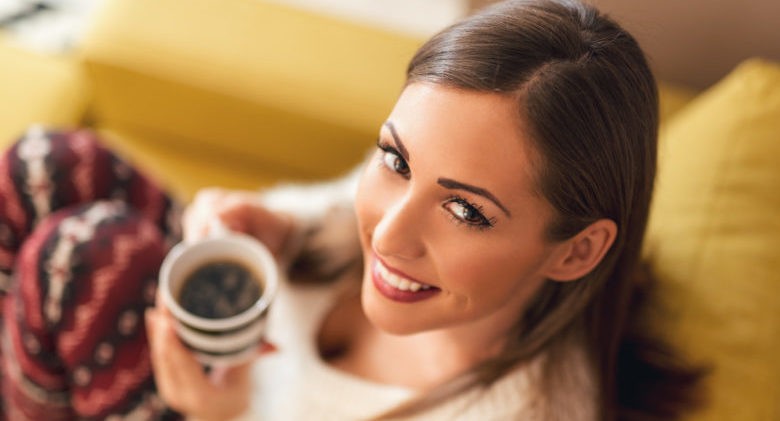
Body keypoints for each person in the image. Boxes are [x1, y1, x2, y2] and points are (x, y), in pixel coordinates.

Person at [0, 0, 705, 420]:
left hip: (211, 404)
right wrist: (270, 224)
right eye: (396, 160)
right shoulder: (407, 203)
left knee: (77, 260)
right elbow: (330, 206)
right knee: (48, 163)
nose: (388, 234)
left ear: (577, 249)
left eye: (466, 212)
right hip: (219, 353)